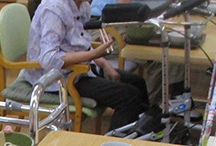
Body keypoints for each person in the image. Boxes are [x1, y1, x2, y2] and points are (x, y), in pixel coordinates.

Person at [23, 0, 149, 130]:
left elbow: (82, 45)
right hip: (55, 78)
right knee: (129, 97)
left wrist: (105, 64)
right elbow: (48, 59)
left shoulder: (83, 7)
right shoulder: (53, 10)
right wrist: (93, 55)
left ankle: (143, 132)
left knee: (137, 82)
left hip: (78, 69)